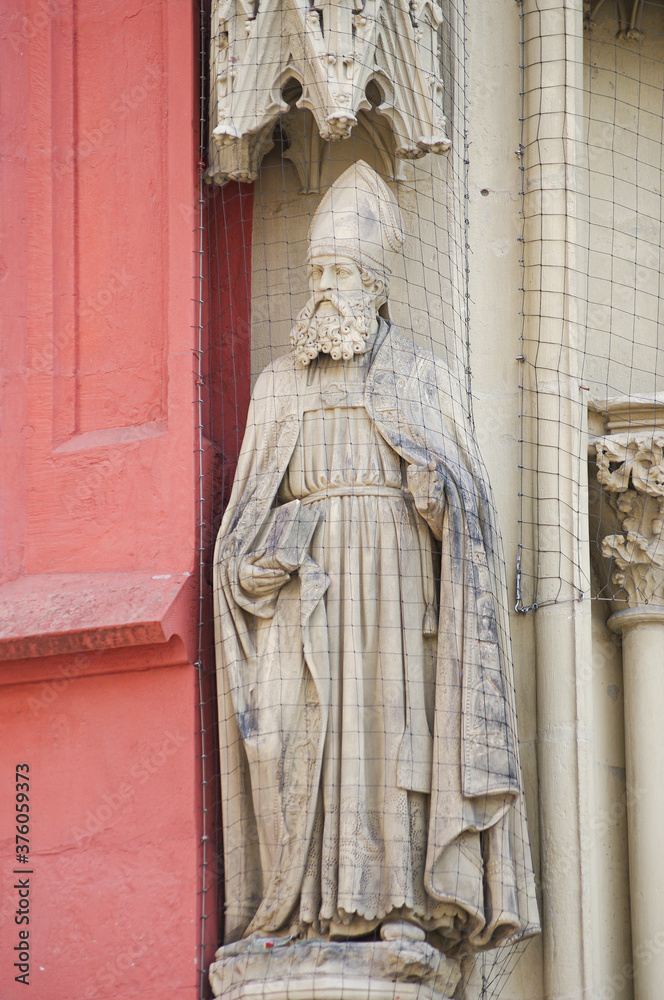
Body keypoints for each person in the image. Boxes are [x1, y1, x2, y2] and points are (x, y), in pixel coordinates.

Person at [213, 162, 539, 956]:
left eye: (343, 272)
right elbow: (244, 514)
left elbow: (470, 506)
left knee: (394, 737)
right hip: (307, 590)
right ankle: (299, 910)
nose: (325, 285)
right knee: (300, 738)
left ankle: (400, 902)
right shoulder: (277, 384)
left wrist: (438, 502)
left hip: (396, 585)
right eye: (318, 270)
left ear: (377, 286)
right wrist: (259, 561)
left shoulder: (420, 374)